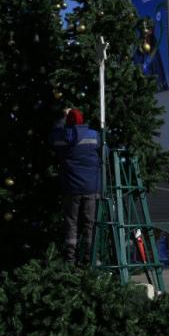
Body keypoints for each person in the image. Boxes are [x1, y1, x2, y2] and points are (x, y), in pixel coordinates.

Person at [50, 108, 101, 265]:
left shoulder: (61, 137)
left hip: (71, 187)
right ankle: (89, 257)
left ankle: (70, 259)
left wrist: (62, 119)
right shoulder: (93, 136)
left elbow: (52, 137)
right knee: (90, 223)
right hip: (91, 187)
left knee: (71, 223)